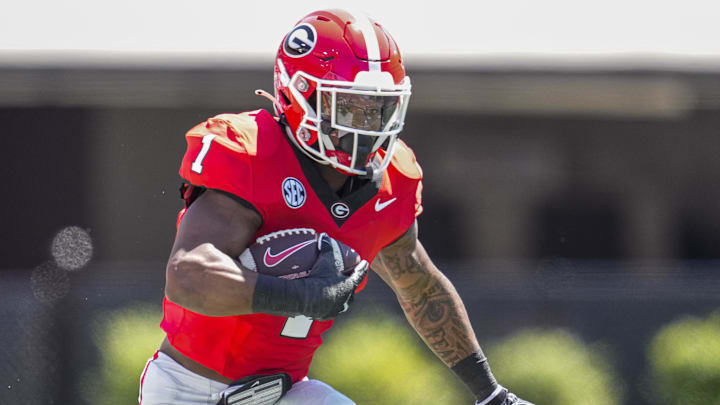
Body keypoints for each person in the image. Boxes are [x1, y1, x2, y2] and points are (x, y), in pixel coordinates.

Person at [138, 8, 534, 405]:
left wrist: (492, 395)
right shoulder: (252, 152)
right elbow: (187, 275)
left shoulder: (392, 180)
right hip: (188, 389)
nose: (367, 126)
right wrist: (298, 297)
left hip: (286, 392)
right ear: (298, 93)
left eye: (378, 109)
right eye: (350, 107)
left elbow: (422, 289)